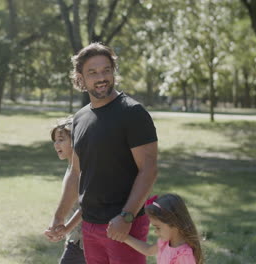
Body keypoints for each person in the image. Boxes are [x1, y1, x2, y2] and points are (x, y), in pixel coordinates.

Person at [47, 42, 158, 264]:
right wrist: (59, 218)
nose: (101, 78)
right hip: (89, 224)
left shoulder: (132, 113)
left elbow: (148, 170)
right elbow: (75, 172)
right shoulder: (79, 119)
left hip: (123, 225)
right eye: (93, 72)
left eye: (106, 70)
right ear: (80, 78)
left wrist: (127, 216)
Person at [44, 116, 86, 264]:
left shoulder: (81, 172)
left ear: (76, 141)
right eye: (55, 140)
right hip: (75, 239)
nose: (56, 145)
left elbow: (86, 206)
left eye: (61, 139)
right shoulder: (71, 168)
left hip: (84, 242)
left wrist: (66, 228)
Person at [124, 194, 204, 264]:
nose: (155, 231)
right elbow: (148, 250)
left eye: (158, 227)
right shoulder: (165, 243)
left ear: (174, 223)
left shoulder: (183, 254)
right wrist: (124, 237)